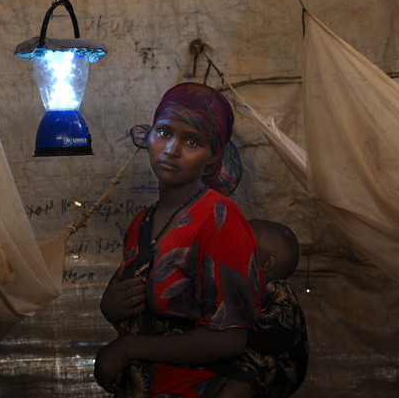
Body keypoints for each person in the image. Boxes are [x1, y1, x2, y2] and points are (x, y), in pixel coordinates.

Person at [95, 82, 263, 398]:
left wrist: (127, 348)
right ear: (150, 136)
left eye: (191, 141)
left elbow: (230, 338)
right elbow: (137, 310)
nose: (172, 150)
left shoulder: (219, 217)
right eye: (164, 133)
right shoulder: (140, 224)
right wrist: (109, 306)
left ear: (213, 157)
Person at [207, 219, 309, 398]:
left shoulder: (278, 289)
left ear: (266, 263)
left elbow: (277, 337)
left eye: (241, 243)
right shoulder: (236, 285)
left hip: (274, 369)